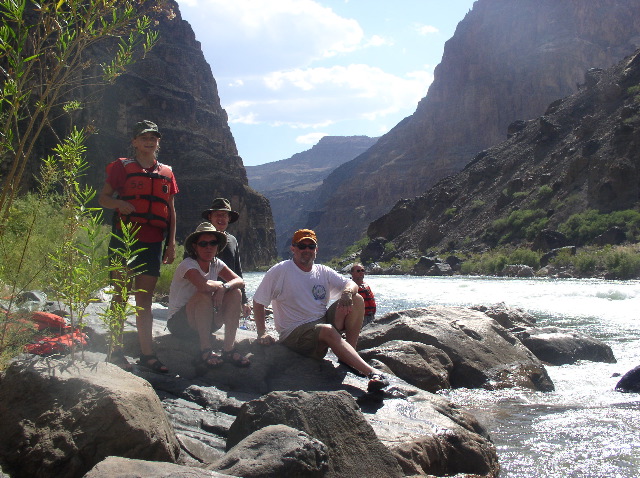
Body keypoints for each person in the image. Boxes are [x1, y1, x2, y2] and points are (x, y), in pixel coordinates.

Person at [252, 229, 388, 393]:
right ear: (293, 248)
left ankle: (349, 356)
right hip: (295, 334)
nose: (307, 250)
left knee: (357, 299)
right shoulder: (280, 271)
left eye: (311, 246)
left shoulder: (322, 271)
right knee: (327, 330)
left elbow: (351, 285)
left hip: (321, 324)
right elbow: (259, 301)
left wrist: (346, 293)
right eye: (302, 246)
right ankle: (372, 373)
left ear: (316, 249)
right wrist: (261, 332)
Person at [99, 120, 177, 373]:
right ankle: (114, 350)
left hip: (153, 242)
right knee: (120, 296)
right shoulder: (122, 168)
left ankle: (147, 355)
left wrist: (171, 243)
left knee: (144, 300)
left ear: (158, 142)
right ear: (134, 141)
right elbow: (103, 198)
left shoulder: (167, 172)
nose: (149, 140)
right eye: (143, 136)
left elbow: (171, 211)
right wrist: (119, 204)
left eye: (153, 137)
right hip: (125, 238)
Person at [167, 222, 250, 370]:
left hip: (206, 321)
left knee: (235, 292)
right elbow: (203, 286)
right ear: (195, 246)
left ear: (218, 246)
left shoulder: (216, 263)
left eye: (213, 243)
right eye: (203, 243)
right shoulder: (188, 265)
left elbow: (240, 281)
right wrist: (221, 286)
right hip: (180, 324)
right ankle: (205, 350)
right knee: (203, 295)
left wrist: (225, 287)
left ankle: (228, 350)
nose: (208, 247)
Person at [200, 198, 251, 319]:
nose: (221, 219)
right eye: (217, 215)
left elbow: (237, 272)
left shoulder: (233, 240)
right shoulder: (200, 239)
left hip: (228, 294)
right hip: (204, 295)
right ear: (210, 217)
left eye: (224, 215)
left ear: (229, 219)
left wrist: (244, 301)